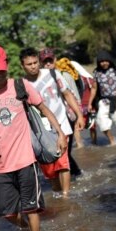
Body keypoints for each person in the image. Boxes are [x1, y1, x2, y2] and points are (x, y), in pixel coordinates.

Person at [0, 45, 66, 231]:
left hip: (26, 158)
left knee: (31, 208)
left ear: (7, 66)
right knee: (7, 213)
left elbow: (44, 108)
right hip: (2, 163)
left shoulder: (20, 86)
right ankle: (26, 229)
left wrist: (60, 133)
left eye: (2, 70)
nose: (0, 75)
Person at [19, 47, 83, 198]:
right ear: (23, 65)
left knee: (63, 164)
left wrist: (79, 115)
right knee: (49, 169)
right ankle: (56, 193)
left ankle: (66, 197)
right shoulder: (21, 84)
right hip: (40, 131)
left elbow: (67, 95)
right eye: (29, 64)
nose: (33, 66)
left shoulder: (54, 74)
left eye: (35, 62)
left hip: (61, 124)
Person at [40, 48, 85, 176]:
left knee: (64, 152)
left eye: (50, 60)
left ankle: (74, 177)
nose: (47, 64)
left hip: (66, 119)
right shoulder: (37, 80)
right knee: (55, 153)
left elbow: (74, 96)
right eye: (45, 62)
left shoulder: (63, 75)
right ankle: (71, 176)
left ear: (54, 60)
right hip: (48, 122)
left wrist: (78, 117)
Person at [90, 51, 116, 146]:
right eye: (101, 61)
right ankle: (112, 140)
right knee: (101, 121)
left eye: (106, 61)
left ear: (110, 60)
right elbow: (94, 88)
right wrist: (90, 103)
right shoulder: (97, 73)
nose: (104, 63)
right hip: (104, 100)